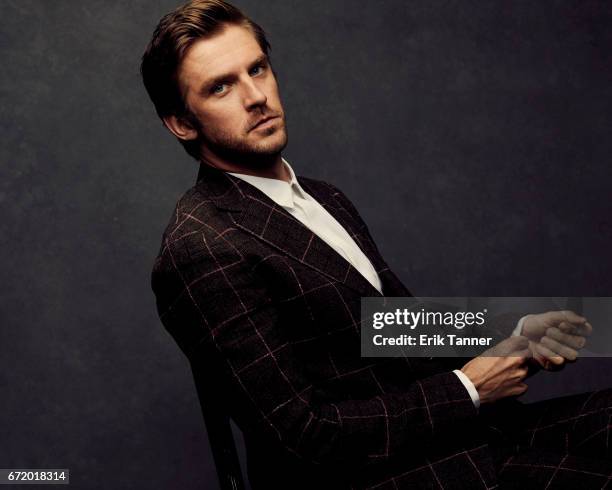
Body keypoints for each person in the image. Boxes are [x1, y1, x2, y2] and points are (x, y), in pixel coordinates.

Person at [141, 1, 607, 488]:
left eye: (257, 68)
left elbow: (387, 329)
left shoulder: (323, 197)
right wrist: (468, 389)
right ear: (182, 123)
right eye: (221, 86)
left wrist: (515, 329)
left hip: (458, 435)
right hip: (392, 474)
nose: (256, 96)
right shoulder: (201, 248)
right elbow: (303, 434)